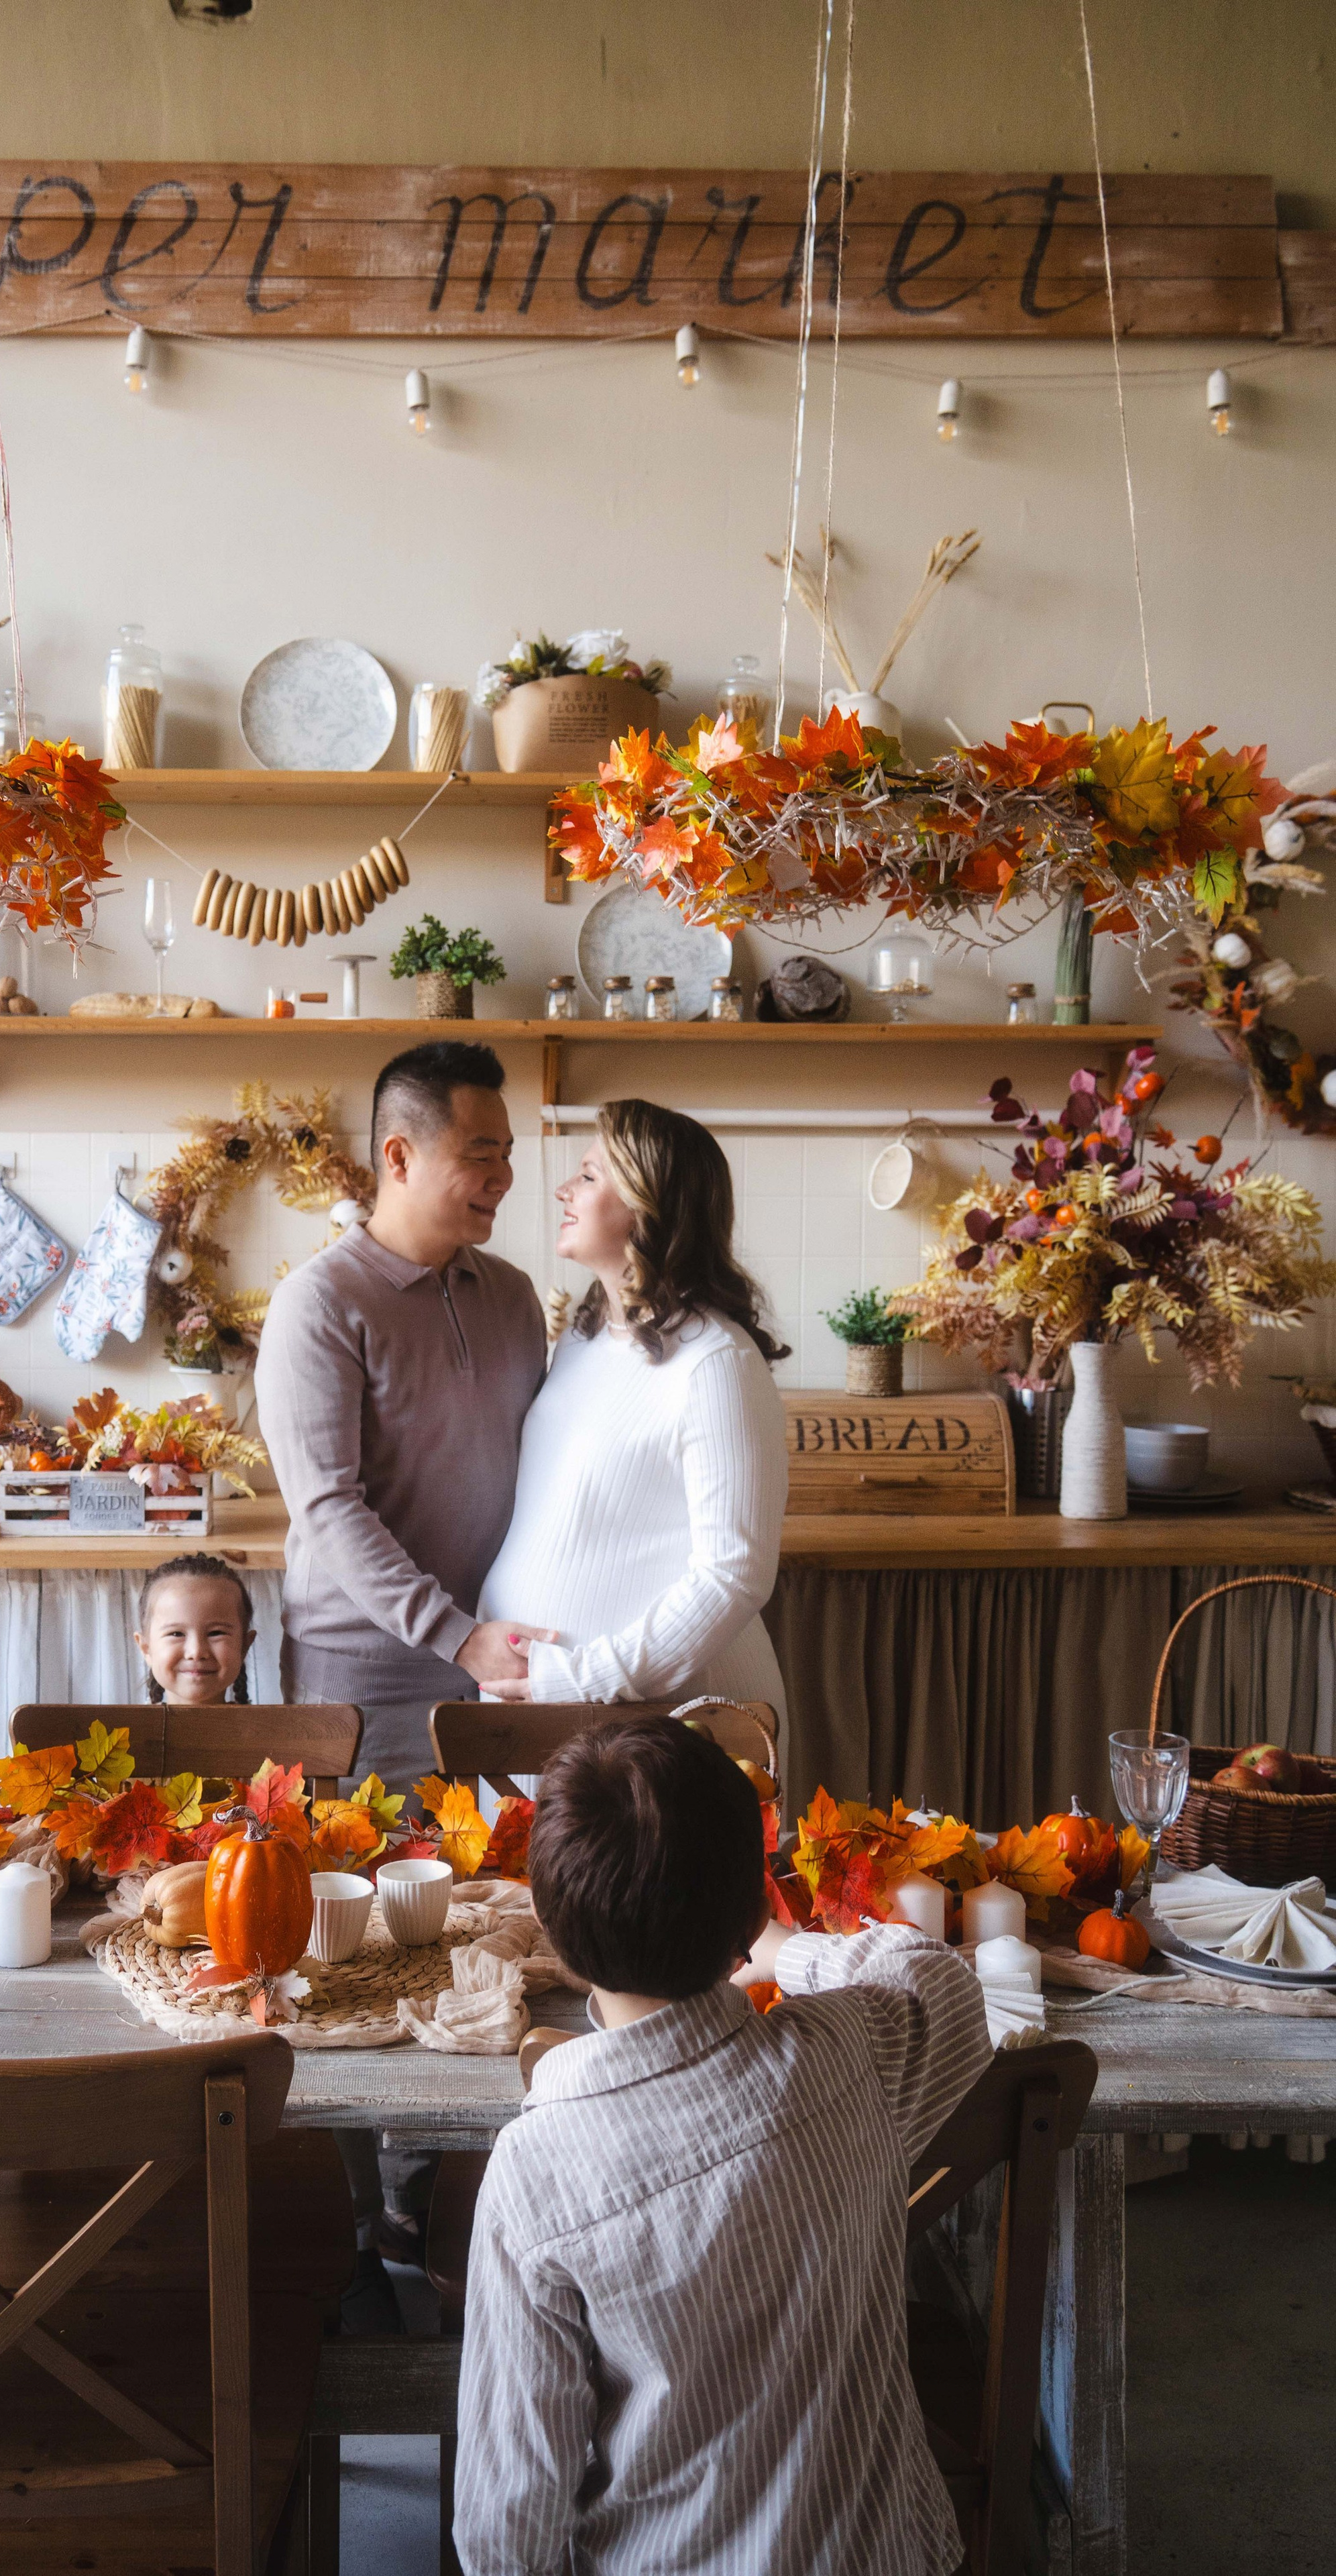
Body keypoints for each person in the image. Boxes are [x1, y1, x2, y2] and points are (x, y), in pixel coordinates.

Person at [453, 1717, 994, 2576]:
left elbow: (508, 2522)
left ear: (553, 1933)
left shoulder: (534, 2176)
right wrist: (785, 1947)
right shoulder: (845, 2055)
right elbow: (936, 1978)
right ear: (752, 1907)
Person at [255, 1038, 549, 1790]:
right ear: (398, 1157)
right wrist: (456, 1638)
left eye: (508, 1154)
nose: (504, 1178)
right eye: (481, 1155)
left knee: (494, 1902)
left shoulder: (513, 1296)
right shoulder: (319, 1302)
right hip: (363, 1680)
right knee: (361, 1899)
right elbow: (328, 1507)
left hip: (497, 1665)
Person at [480, 1096, 790, 1722]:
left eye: (590, 1176)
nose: (565, 1189)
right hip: (549, 1711)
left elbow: (735, 1575)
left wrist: (584, 1678)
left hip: (662, 1725)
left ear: (648, 1208)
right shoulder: (585, 1337)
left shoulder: (715, 1364)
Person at [133, 1553, 255, 1706]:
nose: (196, 1652)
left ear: (244, 1646)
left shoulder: (266, 1729)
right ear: (146, 1648)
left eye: (215, 1633)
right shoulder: (131, 1729)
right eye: (176, 1634)